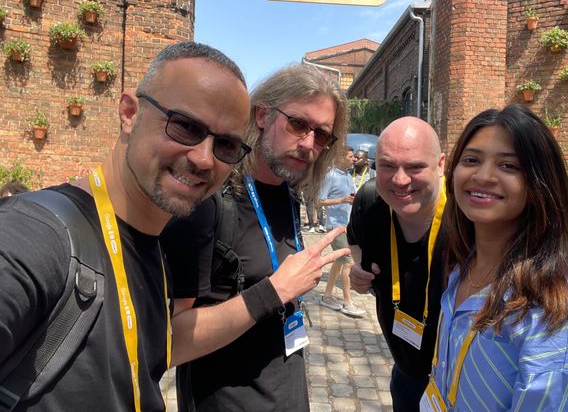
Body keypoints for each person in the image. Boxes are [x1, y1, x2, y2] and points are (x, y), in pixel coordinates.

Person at [0, 42, 252, 411]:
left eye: (226, 146)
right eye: (184, 126)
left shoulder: (150, 244)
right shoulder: (33, 237)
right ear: (129, 113)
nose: (203, 159)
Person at [422, 104, 568, 411]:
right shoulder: (464, 266)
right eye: (471, 160)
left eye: (509, 166)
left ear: (539, 183)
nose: (483, 175)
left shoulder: (554, 309)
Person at [162, 64, 349, 412]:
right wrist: (274, 291)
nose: (308, 143)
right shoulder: (210, 201)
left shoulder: (289, 193)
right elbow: (172, 342)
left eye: (321, 135)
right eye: (297, 124)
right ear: (262, 114)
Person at [348, 117, 446, 411]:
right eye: (388, 166)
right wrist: (360, 273)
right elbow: (355, 241)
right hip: (406, 376)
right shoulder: (369, 203)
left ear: (440, 165)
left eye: (415, 167)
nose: (400, 180)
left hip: (457, 384)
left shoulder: (467, 219)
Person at [319, 146, 365, 318]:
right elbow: (320, 200)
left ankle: (327, 297)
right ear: (339, 157)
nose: (354, 159)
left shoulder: (347, 175)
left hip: (347, 226)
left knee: (339, 263)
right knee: (348, 262)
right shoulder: (330, 175)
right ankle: (347, 303)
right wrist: (341, 200)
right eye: (350, 156)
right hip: (335, 226)